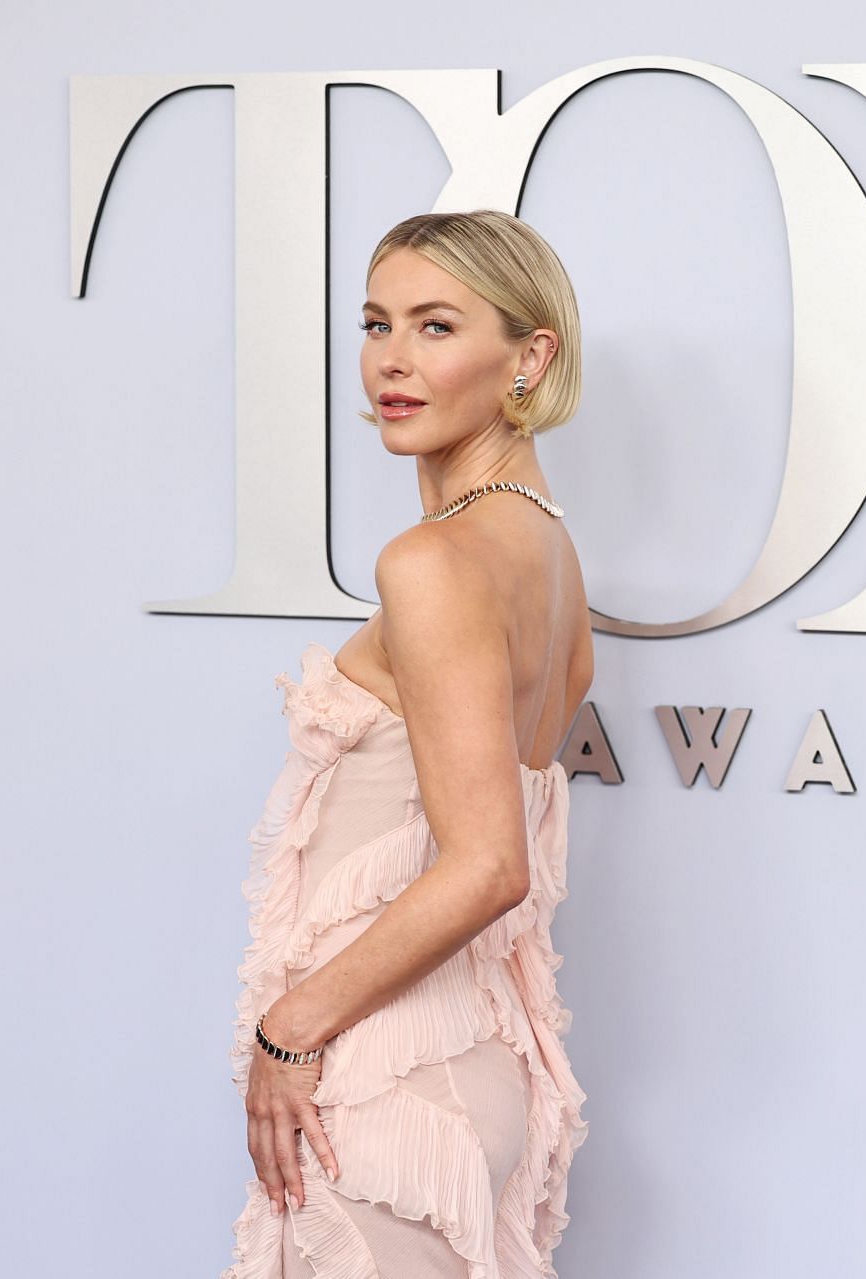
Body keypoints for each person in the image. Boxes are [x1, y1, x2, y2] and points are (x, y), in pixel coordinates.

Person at [221, 209, 592, 1278]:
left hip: (391, 1087)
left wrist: (289, 1028)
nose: (391, 358)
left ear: (530, 356)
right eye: (377, 323)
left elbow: (488, 863)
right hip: (469, 1067)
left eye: (436, 326)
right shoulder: (548, 553)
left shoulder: (434, 561)